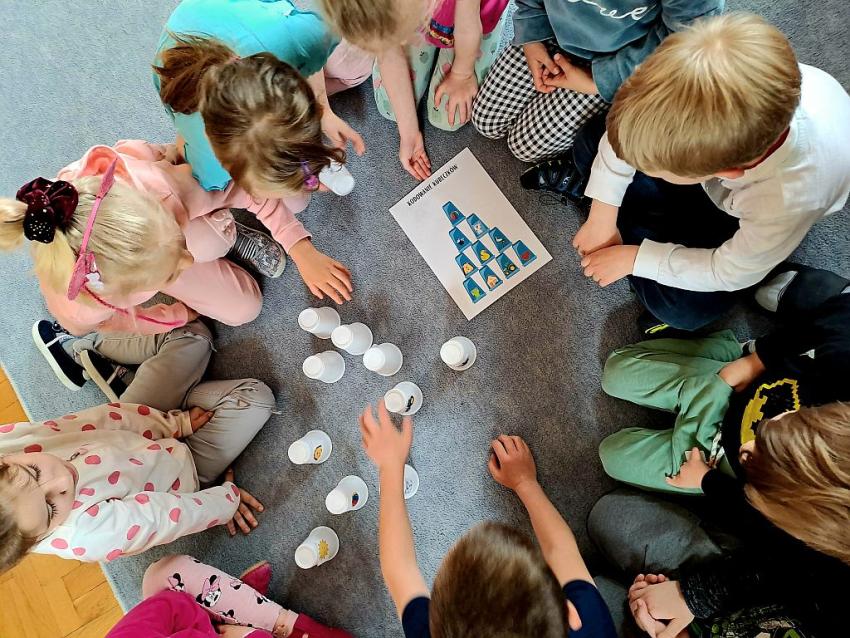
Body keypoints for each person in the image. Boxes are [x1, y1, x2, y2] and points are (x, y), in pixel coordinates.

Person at [545, 13, 850, 333]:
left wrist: (634, 259)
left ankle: (636, 230)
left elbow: (731, 272)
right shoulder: (683, 70)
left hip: (746, 218)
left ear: (725, 172)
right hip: (724, 172)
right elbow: (627, 131)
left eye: (658, 167)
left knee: (683, 310)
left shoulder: (786, 201)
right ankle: (629, 221)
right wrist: (602, 213)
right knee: (592, 143)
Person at [589, 266, 850, 637]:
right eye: (776, 428)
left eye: (761, 459)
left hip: (717, 469)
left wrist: (709, 482)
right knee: (616, 372)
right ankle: (736, 351)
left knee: (612, 456)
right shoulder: (841, 380)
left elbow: (767, 540)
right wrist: (756, 360)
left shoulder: (812, 547)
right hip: (745, 387)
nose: (750, 445)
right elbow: (843, 317)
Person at [0, 139, 342, 339]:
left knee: (217, 237)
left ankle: (226, 229)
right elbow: (121, 322)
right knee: (244, 308)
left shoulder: (164, 190)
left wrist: (299, 246)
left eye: (179, 250)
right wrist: (176, 316)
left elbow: (245, 186)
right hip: (143, 244)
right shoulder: (83, 305)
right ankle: (209, 237)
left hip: (163, 197)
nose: (188, 260)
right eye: (168, 275)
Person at [155, 0, 370, 293]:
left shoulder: (301, 36)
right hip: (184, 57)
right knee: (296, 200)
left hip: (239, 33)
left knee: (356, 68)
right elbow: (250, 193)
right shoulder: (206, 165)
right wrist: (297, 241)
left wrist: (325, 111)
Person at [359, 400, 617, 637]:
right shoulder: (591, 628)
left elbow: (399, 568)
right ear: (570, 613)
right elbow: (560, 550)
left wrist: (390, 467)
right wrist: (525, 482)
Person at [474, 0, 722, 165]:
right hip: (550, 28)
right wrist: (531, 35)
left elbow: (684, 44)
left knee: (526, 146)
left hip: (616, 60)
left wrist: (600, 81)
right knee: (486, 120)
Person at [318, 0, 511, 180]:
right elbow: (388, 49)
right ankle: (422, 25)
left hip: (474, 14)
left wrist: (462, 74)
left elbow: (468, 28)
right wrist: (408, 131)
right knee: (391, 108)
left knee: (450, 116)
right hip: (425, 14)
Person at [104, 554, 353, 638]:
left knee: (163, 575)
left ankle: (261, 616)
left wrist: (218, 632)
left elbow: (171, 605)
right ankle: (252, 611)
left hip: (183, 615)